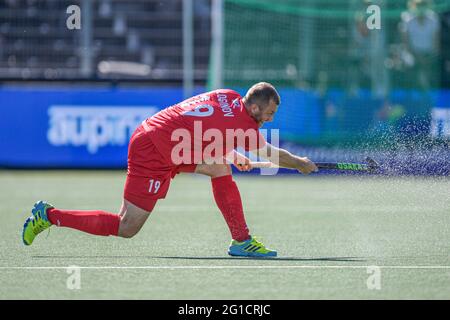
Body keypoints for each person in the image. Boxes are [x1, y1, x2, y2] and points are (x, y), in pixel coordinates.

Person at [22, 82, 318, 257]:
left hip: (167, 140)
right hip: (154, 150)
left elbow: (206, 128)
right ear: (255, 108)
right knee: (127, 227)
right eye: (270, 113)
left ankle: (241, 241)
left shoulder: (228, 95)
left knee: (219, 168)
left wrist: (229, 153)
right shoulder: (246, 127)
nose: (269, 119)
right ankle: (48, 216)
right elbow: (271, 154)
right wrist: (300, 163)